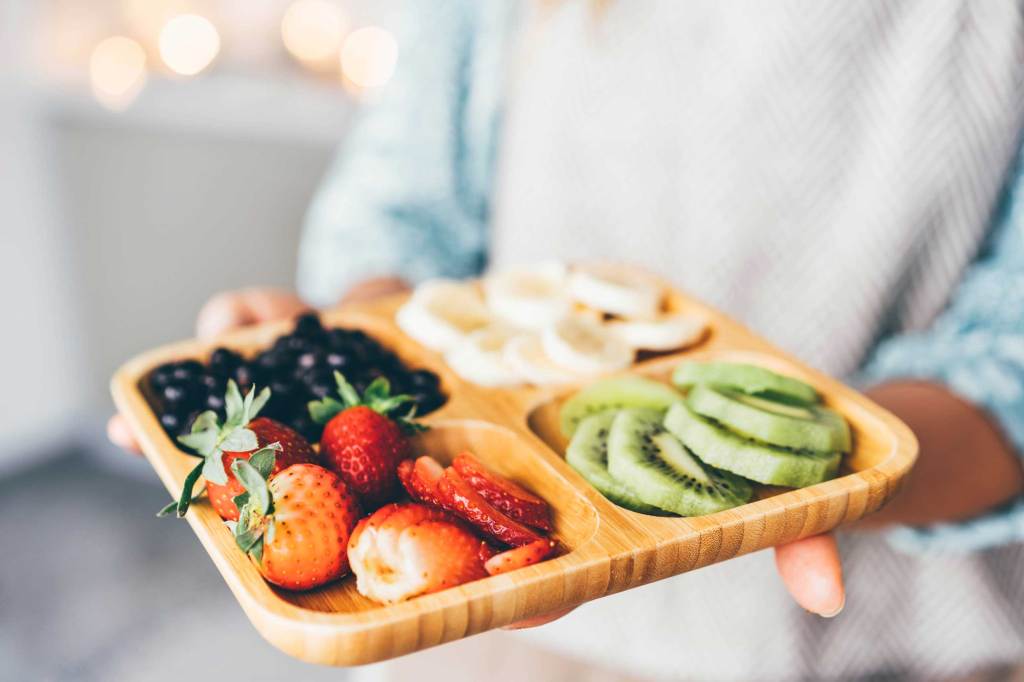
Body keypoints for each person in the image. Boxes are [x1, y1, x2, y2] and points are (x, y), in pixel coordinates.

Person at [110, 1, 1024, 680]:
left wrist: (833, 481)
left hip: (907, 647)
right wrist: (347, 349)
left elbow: (1012, 358)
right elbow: (401, 213)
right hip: (519, 647)